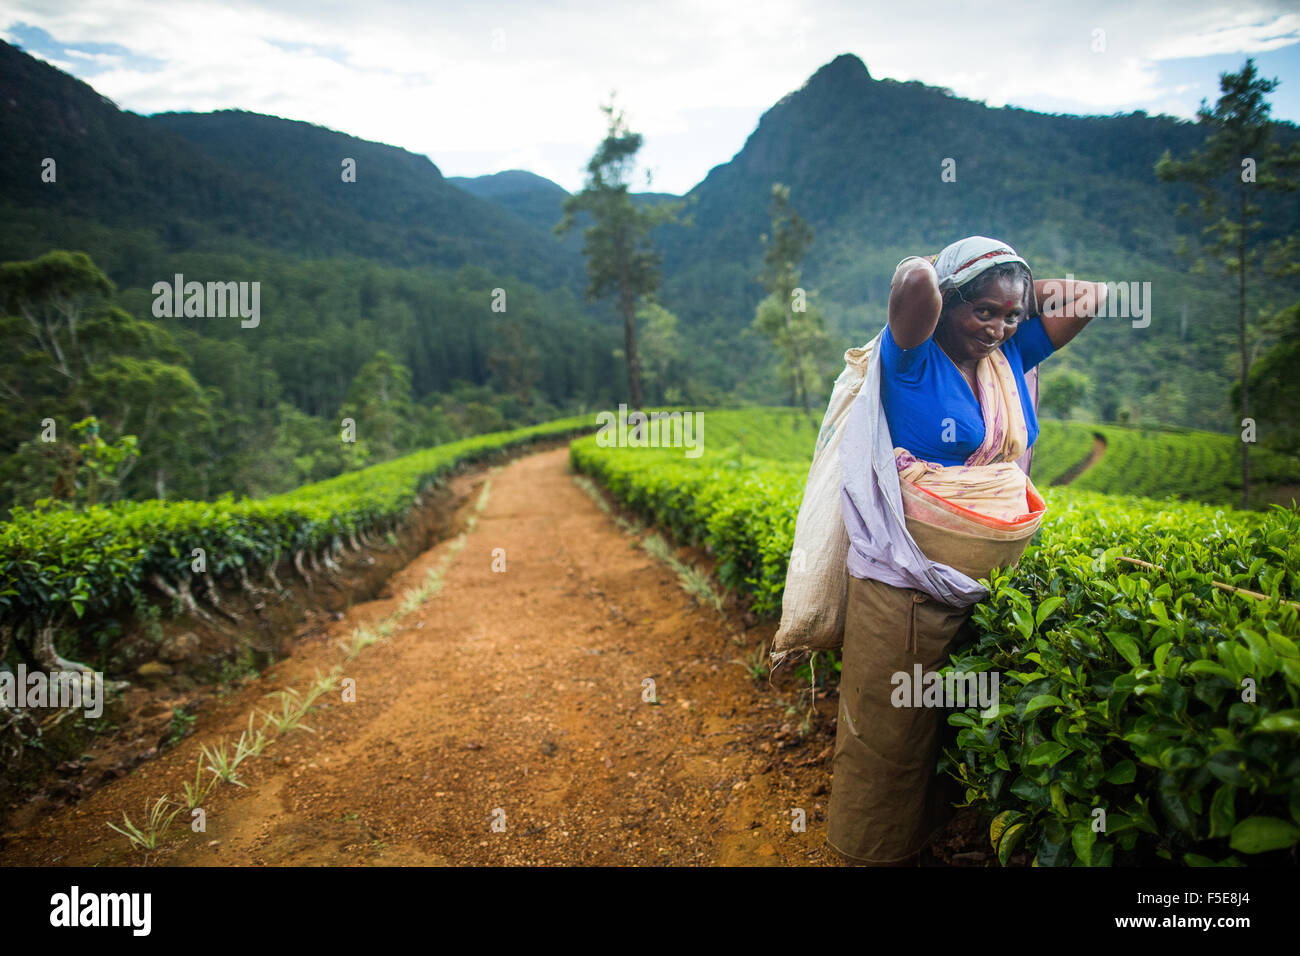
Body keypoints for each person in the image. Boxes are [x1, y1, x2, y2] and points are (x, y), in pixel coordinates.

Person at [828, 235, 1107, 866]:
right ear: (949, 302)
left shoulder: (1009, 356)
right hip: (905, 585)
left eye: (1011, 315)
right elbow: (914, 286)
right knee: (888, 728)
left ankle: (928, 838)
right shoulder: (910, 358)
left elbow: (1094, 296)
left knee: (957, 722)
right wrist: (946, 267)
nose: (998, 327)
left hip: (987, 589)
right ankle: (868, 851)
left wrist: (1012, 289)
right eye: (982, 310)